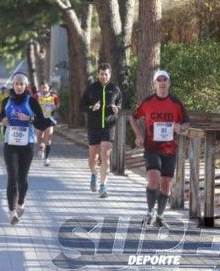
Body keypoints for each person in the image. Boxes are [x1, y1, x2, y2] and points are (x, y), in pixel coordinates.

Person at [129, 70, 189, 229]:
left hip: (170, 149)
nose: (162, 83)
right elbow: (133, 117)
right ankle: (149, 212)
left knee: (166, 184)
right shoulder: (148, 102)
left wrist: (179, 128)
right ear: (155, 84)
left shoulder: (176, 103)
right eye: (159, 80)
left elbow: (186, 123)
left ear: (169, 83)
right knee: (153, 179)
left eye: (165, 80)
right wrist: (138, 136)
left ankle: (160, 217)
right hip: (152, 148)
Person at [0, 73, 44, 225]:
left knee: (22, 178)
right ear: (13, 85)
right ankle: (12, 212)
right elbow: (0, 118)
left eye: (21, 84)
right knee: (12, 176)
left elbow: (42, 122)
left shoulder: (31, 102)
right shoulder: (6, 101)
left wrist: (29, 119)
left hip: (27, 144)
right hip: (10, 144)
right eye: (16, 84)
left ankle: (21, 201)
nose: (18, 87)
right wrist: (3, 121)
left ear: (26, 86)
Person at [80, 63, 122, 198]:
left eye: (106, 74)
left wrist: (117, 108)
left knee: (105, 155)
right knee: (93, 158)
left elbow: (120, 103)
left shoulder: (115, 89)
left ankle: (103, 186)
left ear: (110, 75)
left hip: (109, 126)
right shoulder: (91, 89)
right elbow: (82, 106)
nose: (104, 76)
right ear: (98, 74)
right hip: (94, 126)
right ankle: (93, 174)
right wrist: (92, 107)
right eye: (101, 74)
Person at [35, 81, 60, 166]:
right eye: (42, 87)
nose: (44, 89)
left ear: (49, 88)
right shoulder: (36, 96)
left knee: (48, 138)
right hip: (39, 120)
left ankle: (46, 158)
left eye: (45, 87)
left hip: (49, 120)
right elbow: (32, 106)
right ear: (40, 88)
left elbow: (57, 106)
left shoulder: (54, 97)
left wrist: (52, 107)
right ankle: (41, 149)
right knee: (39, 139)